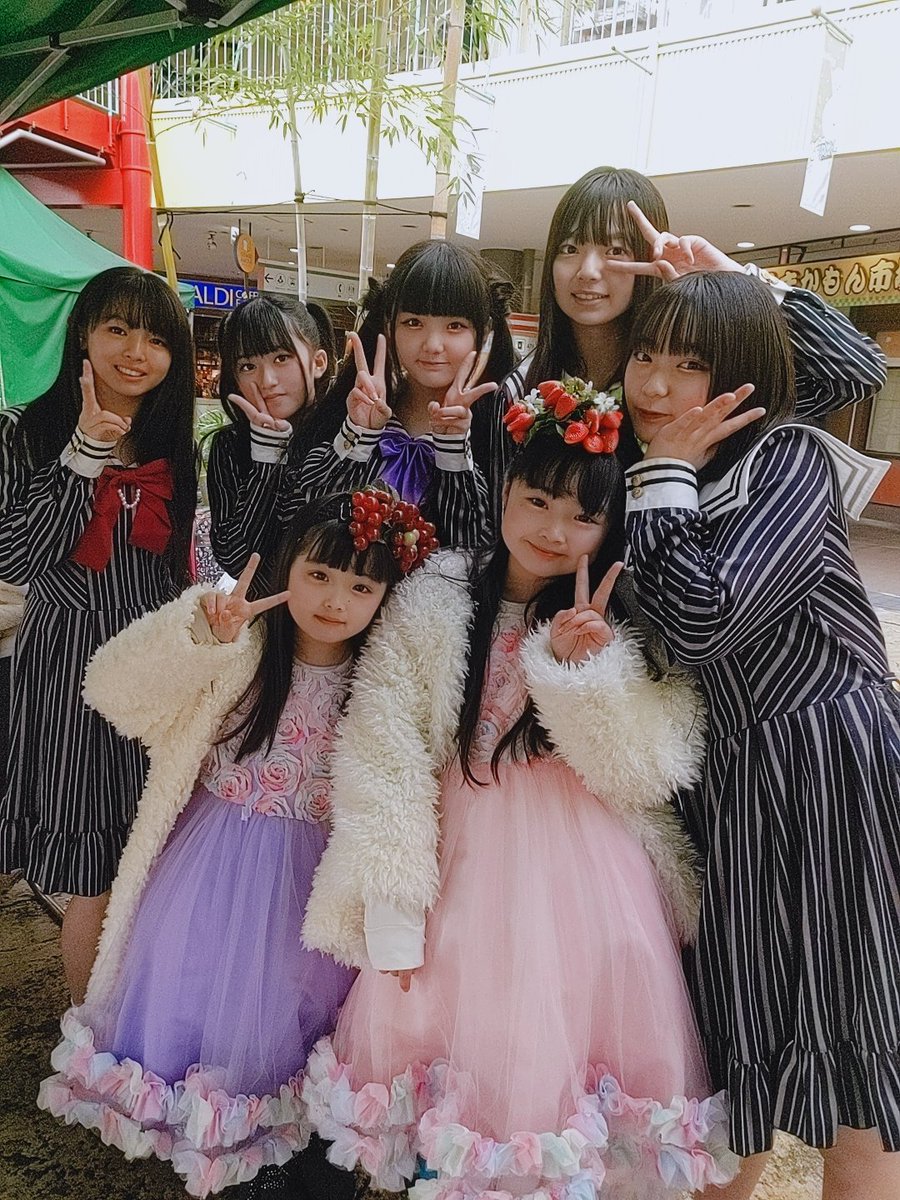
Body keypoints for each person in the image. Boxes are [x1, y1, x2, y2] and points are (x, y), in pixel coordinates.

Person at [301, 390, 738, 1200]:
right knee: (454, 1031)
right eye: (537, 500)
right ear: (504, 491)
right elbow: (383, 738)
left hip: (583, 862)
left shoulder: (625, 613)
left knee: (554, 1031)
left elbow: (646, 766)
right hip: (453, 850)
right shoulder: (437, 591)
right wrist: (390, 896)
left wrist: (582, 672)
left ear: (610, 527)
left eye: (582, 516)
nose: (553, 529)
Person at [38, 491, 436, 1198]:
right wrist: (199, 636)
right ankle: (227, 1147)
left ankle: (291, 1148)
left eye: (361, 586)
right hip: (214, 859)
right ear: (286, 568)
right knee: (205, 998)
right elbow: (116, 691)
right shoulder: (242, 651)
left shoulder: (379, 685)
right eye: (319, 574)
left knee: (294, 1010)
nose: (335, 600)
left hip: (312, 875)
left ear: (384, 598)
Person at [622, 270, 900, 1200]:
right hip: (741, 772)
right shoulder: (682, 463)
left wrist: (752, 286)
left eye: (690, 363)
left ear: (740, 373)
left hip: (824, 759)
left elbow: (704, 618)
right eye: (646, 355)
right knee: (739, 1035)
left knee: (851, 1032)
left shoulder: (785, 457)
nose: (657, 384)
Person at [474, 165, 886, 522]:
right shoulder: (522, 392)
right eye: (569, 248)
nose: (589, 271)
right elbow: (499, 520)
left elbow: (855, 373)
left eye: (615, 249)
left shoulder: (699, 383)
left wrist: (734, 279)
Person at [0, 266, 196, 1003]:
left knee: (141, 845)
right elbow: (15, 559)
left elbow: (173, 567)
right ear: (84, 333)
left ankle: (122, 1020)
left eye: (156, 338)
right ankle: (90, 1036)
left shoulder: (170, 442)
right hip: (70, 664)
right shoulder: (23, 431)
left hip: (154, 666)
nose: (135, 352)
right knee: (92, 862)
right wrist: (82, 452)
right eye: (117, 329)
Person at [299, 239, 515, 548]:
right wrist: (359, 433)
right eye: (413, 323)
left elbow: (476, 546)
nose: (433, 345)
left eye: (455, 326)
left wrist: (453, 447)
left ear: (484, 332)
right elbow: (310, 515)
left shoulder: (499, 428)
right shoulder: (362, 411)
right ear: (390, 326)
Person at [206, 295, 335, 590]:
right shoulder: (229, 446)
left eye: (281, 358)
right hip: (261, 613)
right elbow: (236, 560)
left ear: (318, 362)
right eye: (247, 366)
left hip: (340, 610)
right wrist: (267, 455)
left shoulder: (342, 437)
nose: (267, 381)